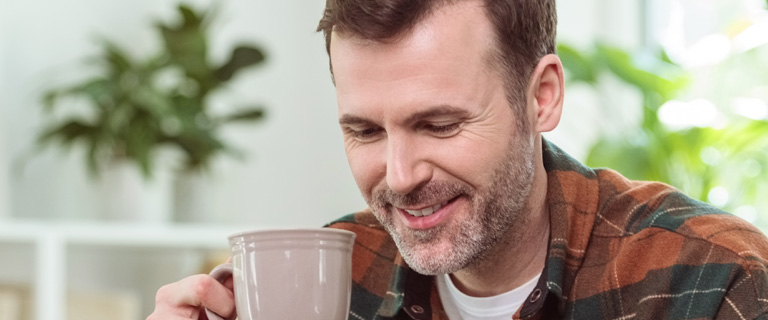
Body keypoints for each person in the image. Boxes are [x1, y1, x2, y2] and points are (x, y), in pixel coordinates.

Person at [148, 0, 768, 319]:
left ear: (541, 96)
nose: (398, 177)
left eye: (439, 125)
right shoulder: (342, 280)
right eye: (364, 131)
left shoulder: (709, 282)